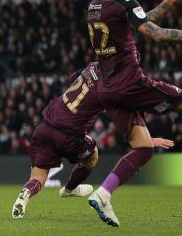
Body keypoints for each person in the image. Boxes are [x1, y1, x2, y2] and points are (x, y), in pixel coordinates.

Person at [86, 0, 182, 226]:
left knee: (143, 147)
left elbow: (138, 23)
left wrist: (167, 3)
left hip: (108, 89)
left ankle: (103, 194)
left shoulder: (94, 7)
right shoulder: (124, 2)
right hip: (130, 83)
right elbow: (158, 34)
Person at [12, 63, 173, 219]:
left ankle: (24, 195)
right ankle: (70, 188)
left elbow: (73, 78)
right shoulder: (111, 86)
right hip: (70, 134)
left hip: (45, 128)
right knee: (93, 155)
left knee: (38, 178)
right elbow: (122, 121)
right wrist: (147, 138)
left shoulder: (92, 66)